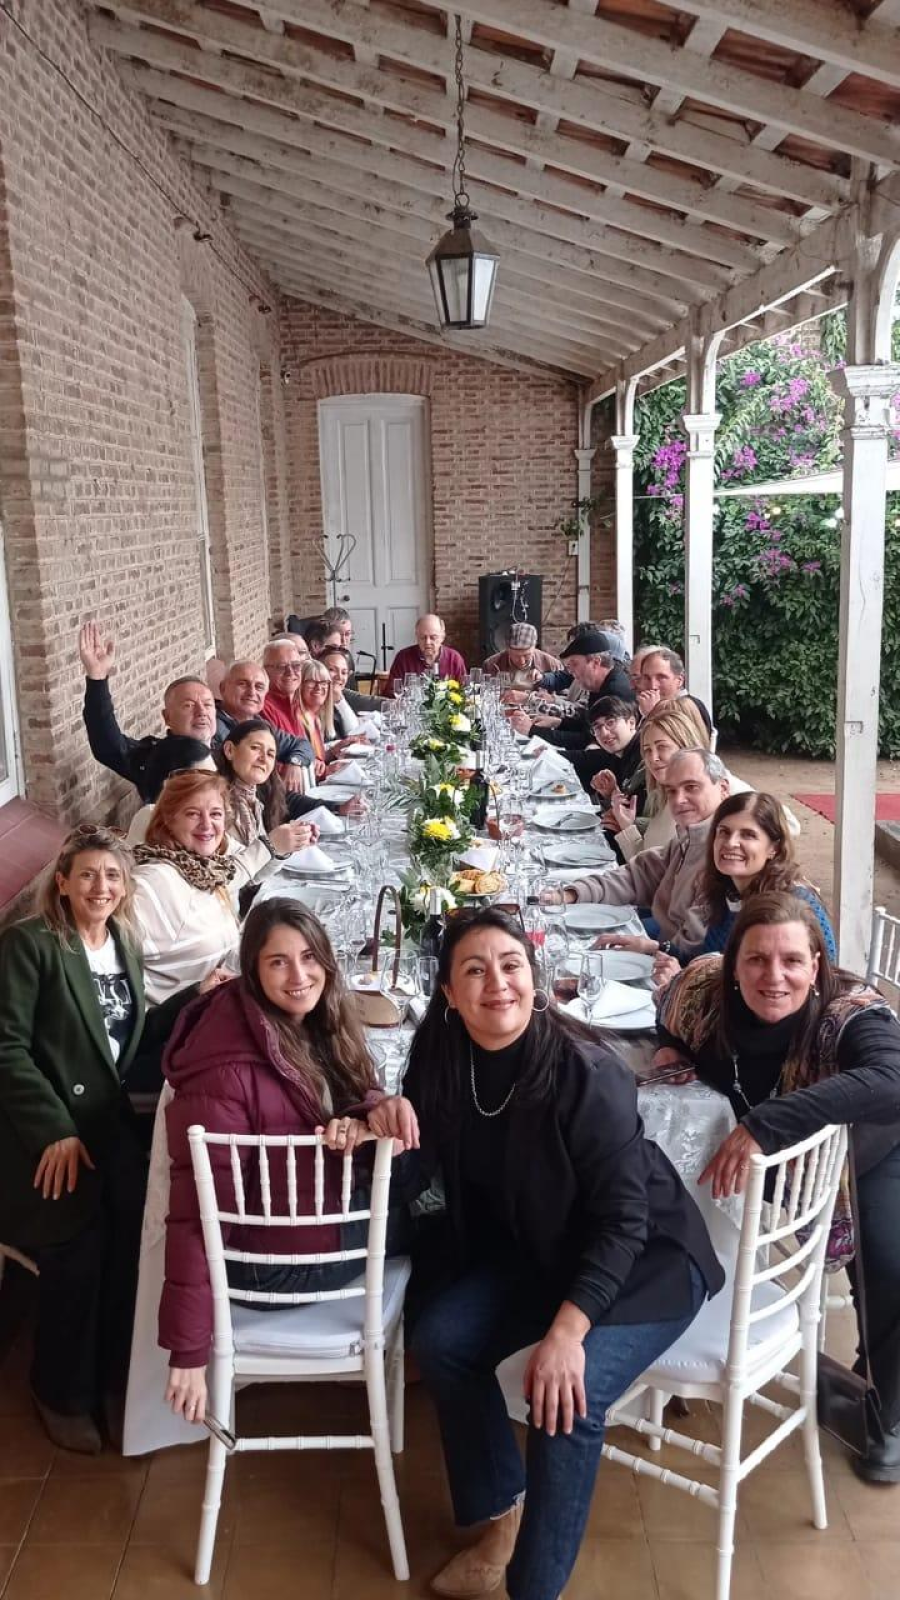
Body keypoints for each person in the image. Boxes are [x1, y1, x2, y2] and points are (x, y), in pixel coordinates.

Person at [400, 908, 723, 1600]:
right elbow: (427, 1178)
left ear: (535, 977)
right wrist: (373, 1113)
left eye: (511, 965)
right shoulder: (439, 1063)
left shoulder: (586, 1073)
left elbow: (623, 1220)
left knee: (564, 1402)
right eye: (475, 970)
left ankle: (533, 1590)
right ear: (449, 994)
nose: (498, 984)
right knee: (440, 1339)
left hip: (644, 1259)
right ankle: (503, 1514)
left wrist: (569, 1333)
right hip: (542, 1249)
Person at [654, 892, 900, 1485]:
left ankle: (888, 1411)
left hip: (868, 1151)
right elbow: (665, 1012)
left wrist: (768, 1121)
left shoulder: (851, 1012)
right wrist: (673, 1047)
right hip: (765, 1167)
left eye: (792, 960)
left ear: (817, 965)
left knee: (890, 1262)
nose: (775, 976)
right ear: (733, 964)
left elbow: (893, 1079)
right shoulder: (702, 992)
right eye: (758, 960)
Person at [160, 899, 418, 1424]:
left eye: (308, 957)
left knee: (436, 1183)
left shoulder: (297, 1024)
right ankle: (437, 1358)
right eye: (278, 961)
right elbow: (196, 1213)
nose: (299, 975)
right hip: (271, 1268)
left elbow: (326, 1101)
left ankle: (428, 1350)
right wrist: (187, 1353)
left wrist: (368, 1113)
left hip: (302, 1218)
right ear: (252, 970)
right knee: (444, 1209)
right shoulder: (225, 1070)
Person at [0, 826, 207, 1452]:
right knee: (79, 1243)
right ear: (61, 882)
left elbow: (123, 1038)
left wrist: (196, 999)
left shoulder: (122, 939)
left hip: (104, 1126)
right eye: (88, 875)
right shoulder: (29, 945)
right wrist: (53, 1128)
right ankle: (59, 1387)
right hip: (38, 1134)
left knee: (141, 1232)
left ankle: (114, 1376)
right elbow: (6, 1046)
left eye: (112, 876)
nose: (101, 887)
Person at [649, 793, 836, 982]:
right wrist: (657, 949)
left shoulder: (794, 908)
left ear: (774, 848)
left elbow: (772, 990)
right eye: (724, 832)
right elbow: (709, 962)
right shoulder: (725, 893)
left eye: (748, 835)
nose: (731, 843)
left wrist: (680, 984)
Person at [564, 748, 730, 952]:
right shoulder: (688, 838)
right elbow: (637, 875)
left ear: (723, 788)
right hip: (664, 941)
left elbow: (694, 948)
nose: (678, 800)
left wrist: (653, 948)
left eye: (691, 787)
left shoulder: (724, 855)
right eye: (671, 791)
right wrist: (572, 893)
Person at [131, 771, 243, 1006]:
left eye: (215, 814)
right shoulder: (155, 881)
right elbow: (104, 962)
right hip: (173, 1032)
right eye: (193, 814)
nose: (207, 824)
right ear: (169, 821)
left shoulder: (206, 872)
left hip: (210, 1011)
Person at [79, 621, 218, 803]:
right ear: (167, 717)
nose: (201, 712)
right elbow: (109, 745)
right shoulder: (157, 760)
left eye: (208, 705)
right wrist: (97, 678)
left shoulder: (229, 748)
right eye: (189, 706)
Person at [593, 699, 713, 860]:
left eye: (662, 746)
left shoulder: (706, 798)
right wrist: (627, 825)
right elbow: (647, 862)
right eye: (647, 750)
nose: (653, 758)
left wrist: (629, 825)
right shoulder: (662, 790)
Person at [213, 718, 318, 865]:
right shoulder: (216, 804)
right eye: (255, 748)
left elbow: (256, 872)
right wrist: (273, 845)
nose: (263, 759)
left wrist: (292, 841)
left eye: (270, 754)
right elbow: (239, 877)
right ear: (229, 750)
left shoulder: (257, 801)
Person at [509, 630, 635, 749]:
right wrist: (559, 723)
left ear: (596, 662)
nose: (571, 672)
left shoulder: (615, 692)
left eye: (574, 664)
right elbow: (586, 723)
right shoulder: (601, 683)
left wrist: (533, 731)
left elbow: (588, 740)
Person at [566, 695, 642, 803]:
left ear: (631, 723)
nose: (604, 733)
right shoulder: (618, 754)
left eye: (610, 723)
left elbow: (636, 813)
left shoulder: (643, 754)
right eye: (597, 727)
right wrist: (609, 794)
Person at [385, 614, 467, 697]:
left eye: (433, 637)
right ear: (416, 636)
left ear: (442, 637)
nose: (428, 642)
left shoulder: (454, 659)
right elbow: (391, 693)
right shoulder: (403, 657)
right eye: (423, 637)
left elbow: (464, 692)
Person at [637, 646, 713, 734]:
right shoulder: (642, 705)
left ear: (680, 680)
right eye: (647, 678)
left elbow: (678, 744)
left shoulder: (689, 707)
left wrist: (652, 713)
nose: (653, 685)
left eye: (661, 677)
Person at [483, 622, 563, 686]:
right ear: (507, 649)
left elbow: (566, 699)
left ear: (534, 647)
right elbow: (484, 696)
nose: (522, 661)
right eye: (516, 656)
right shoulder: (490, 665)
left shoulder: (553, 665)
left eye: (526, 655)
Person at [261, 635, 310, 738]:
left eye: (296, 665)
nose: (290, 672)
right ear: (265, 671)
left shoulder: (297, 702)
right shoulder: (263, 709)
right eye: (281, 667)